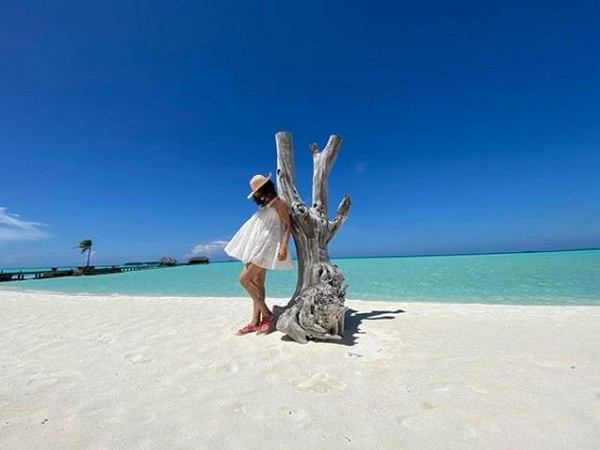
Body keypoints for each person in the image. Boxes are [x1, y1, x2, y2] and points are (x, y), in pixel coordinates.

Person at [224, 173, 294, 335]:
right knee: (257, 282)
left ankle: (267, 315)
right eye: (255, 192)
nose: (256, 195)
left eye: (257, 191)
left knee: (244, 280)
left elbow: (287, 225)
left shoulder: (278, 203)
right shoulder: (264, 206)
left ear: (265, 188)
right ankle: (255, 321)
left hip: (267, 247)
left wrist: (283, 246)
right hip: (256, 246)